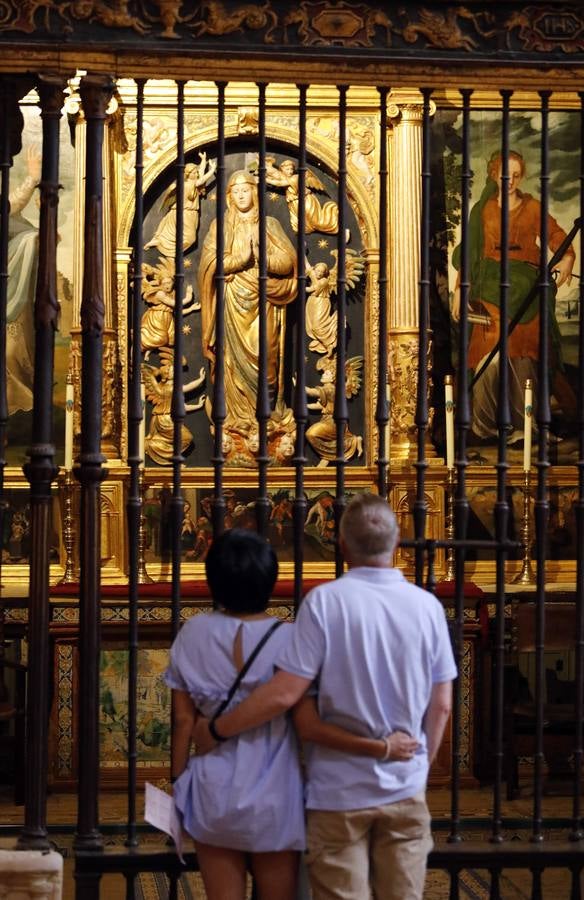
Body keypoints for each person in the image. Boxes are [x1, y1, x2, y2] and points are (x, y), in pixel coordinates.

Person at [194, 494, 457, 900]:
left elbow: (286, 695)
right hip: (404, 786)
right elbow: (441, 705)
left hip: (338, 791)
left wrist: (216, 728)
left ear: (342, 545)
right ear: (397, 540)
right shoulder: (427, 607)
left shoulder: (324, 602)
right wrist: (419, 767)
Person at [166, 527, 414, 900]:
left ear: (213, 579)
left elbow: (183, 721)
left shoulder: (192, 633)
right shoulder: (291, 639)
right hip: (274, 788)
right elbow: (307, 719)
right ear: (269, 579)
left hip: (211, 786)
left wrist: (176, 782)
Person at [452, 150, 575, 442]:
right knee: (490, 349)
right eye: (505, 174)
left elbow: (558, 237)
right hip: (488, 285)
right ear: (494, 174)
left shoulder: (533, 208)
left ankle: (527, 426)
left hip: (526, 289)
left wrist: (567, 257)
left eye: (517, 175)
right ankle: (484, 424)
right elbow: (470, 254)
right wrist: (459, 291)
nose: (510, 181)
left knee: (525, 350)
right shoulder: (482, 210)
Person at [198, 169, 297, 458]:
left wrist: (261, 258)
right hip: (231, 303)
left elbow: (288, 262)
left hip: (264, 299)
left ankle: (266, 417)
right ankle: (239, 420)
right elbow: (208, 264)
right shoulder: (220, 226)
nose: (242, 196)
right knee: (232, 362)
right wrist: (236, 261)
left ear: (255, 192)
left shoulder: (269, 224)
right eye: (236, 192)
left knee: (266, 358)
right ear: (229, 197)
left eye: (246, 190)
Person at [145, 152, 217, 257]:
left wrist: (203, 160)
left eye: (196, 173)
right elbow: (202, 179)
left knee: (183, 237)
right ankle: (170, 250)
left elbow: (200, 174)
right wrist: (211, 170)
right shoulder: (189, 185)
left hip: (187, 213)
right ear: (187, 174)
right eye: (194, 173)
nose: (196, 174)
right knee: (191, 239)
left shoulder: (191, 183)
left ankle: (161, 242)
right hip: (186, 214)